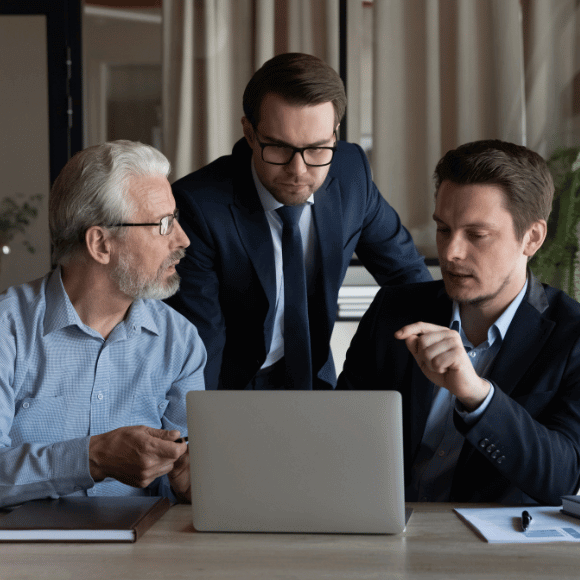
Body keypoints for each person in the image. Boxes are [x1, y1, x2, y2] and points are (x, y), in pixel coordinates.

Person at [166, 52, 431, 391]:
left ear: (335, 134)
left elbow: (408, 278)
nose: (299, 170)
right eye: (278, 148)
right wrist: (203, 431)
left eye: (317, 149)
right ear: (249, 133)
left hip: (315, 376)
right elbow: (201, 345)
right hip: (233, 384)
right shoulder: (198, 206)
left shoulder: (351, 174)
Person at [338, 139, 580, 505]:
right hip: (381, 532)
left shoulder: (572, 335)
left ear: (532, 238)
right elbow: (340, 434)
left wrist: (477, 395)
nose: (450, 253)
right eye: (443, 229)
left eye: (476, 235)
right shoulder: (394, 309)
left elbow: (562, 479)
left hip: (490, 553)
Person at [0, 140, 206, 508]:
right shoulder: (8, 330)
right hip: (20, 559)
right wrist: (93, 457)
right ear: (100, 244)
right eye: (163, 224)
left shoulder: (180, 343)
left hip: (143, 554)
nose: (182, 239)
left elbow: (187, 483)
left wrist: (189, 485)